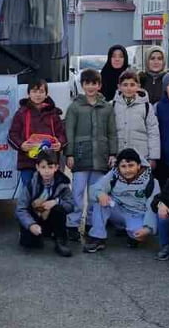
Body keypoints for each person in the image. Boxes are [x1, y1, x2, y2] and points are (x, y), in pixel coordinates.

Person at [64, 68, 117, 240]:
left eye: (94, 83)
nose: (91, 87)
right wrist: (69, 154)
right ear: (82, 85)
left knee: (96, 193)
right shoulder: (75, 107)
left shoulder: (107, 108)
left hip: (101, 157)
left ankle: (92, 224)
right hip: (80, 156)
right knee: (77, 192)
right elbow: (69, 132)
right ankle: (73, 224)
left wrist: (113, 153)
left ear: (100, 85)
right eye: (87, 83)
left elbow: (112, 133)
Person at [82, 149, 158, 253]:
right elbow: (94, 188)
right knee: (100, 200)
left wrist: (148, 228)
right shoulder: (114, 175)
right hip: (117, 210)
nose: (127, 170)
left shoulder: (151, 181)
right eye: (123, 166)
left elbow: (153, 205)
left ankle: (130, 233)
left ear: (139, 165)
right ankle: (97, 238)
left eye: (131, 165)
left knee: (138, 236)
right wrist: (100, 194)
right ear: (118, 167)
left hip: (137, 214)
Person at [7, 79, 66, 188]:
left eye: (41, 91)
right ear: (28, 94)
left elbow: (62, 135)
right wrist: (21, 145)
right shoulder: (21, 113)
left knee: (48, 195)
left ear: (46, 94)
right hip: (28, 162)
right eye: (34, 91)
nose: (38, 95)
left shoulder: (54, 114)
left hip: (49, 164)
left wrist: (59, 144)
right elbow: (12, 135)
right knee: (29, 195)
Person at [15, 150, 74, 257]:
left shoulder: (63, 184)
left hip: (52, 218)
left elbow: (71, 206)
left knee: (59, 208)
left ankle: (60, 240)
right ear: (37, 167)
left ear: (56, 167)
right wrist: (30, 224)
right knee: (30, 244)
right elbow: (20, 209)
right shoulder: (31, 184)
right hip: (35, 219)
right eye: (43, 167)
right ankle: (34, 233)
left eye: (50, 167)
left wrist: (56, 202)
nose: (47, 171)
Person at [112, 70, 159, 168]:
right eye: (125, 85)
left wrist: (153, 157)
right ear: (119, 87)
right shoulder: (113, 105)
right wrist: (110, 154)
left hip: (141, 156)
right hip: (120, 157)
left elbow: (153, 132)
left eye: (132, 85)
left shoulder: (146, 106)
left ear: (138, 86)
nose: (128, 88)